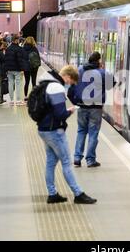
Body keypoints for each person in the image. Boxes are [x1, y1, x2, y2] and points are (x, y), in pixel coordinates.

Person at [36, 66, 97, 205]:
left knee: (51, 162)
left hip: (43, 129)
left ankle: (52, 194)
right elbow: (60, 114)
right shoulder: (56, 87)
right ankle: (78, 194)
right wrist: (70, 111)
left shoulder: (45, 83)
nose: (69, 85)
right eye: (71, 82)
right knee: (66, 162)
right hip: (54, 130)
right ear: (68, 76)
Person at [68, 52, 113, 168]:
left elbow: (71, 89)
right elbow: (112, 84)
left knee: (81, 131)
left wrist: (75, 102)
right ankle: (90, 160)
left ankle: (77, 158)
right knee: (93, 133)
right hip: (95, 108)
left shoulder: (79, 70)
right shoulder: (102, 72)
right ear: (98, 61)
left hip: (82, 106)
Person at [4, 34, 25, 106]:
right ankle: (19, 100)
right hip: (17, 69)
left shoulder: (8, 48)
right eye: (18, 40)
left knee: (10, 83)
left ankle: (12, 100)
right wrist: (22, 69)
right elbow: (20, 60)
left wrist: (6, 69)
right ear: (16, 40)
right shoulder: (19, 49)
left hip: (9, 69)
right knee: (18, 84)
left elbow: (5, 59)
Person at [22, 36, 41, 101]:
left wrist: (23, 67)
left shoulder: (23, 48)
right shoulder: (34, 48)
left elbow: (22, 58)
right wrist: (38, 65)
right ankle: (34, 96)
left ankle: (25, 96)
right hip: (34, 67)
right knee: (34, 82)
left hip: (26, 68)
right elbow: (38, 57)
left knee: (26, 82)